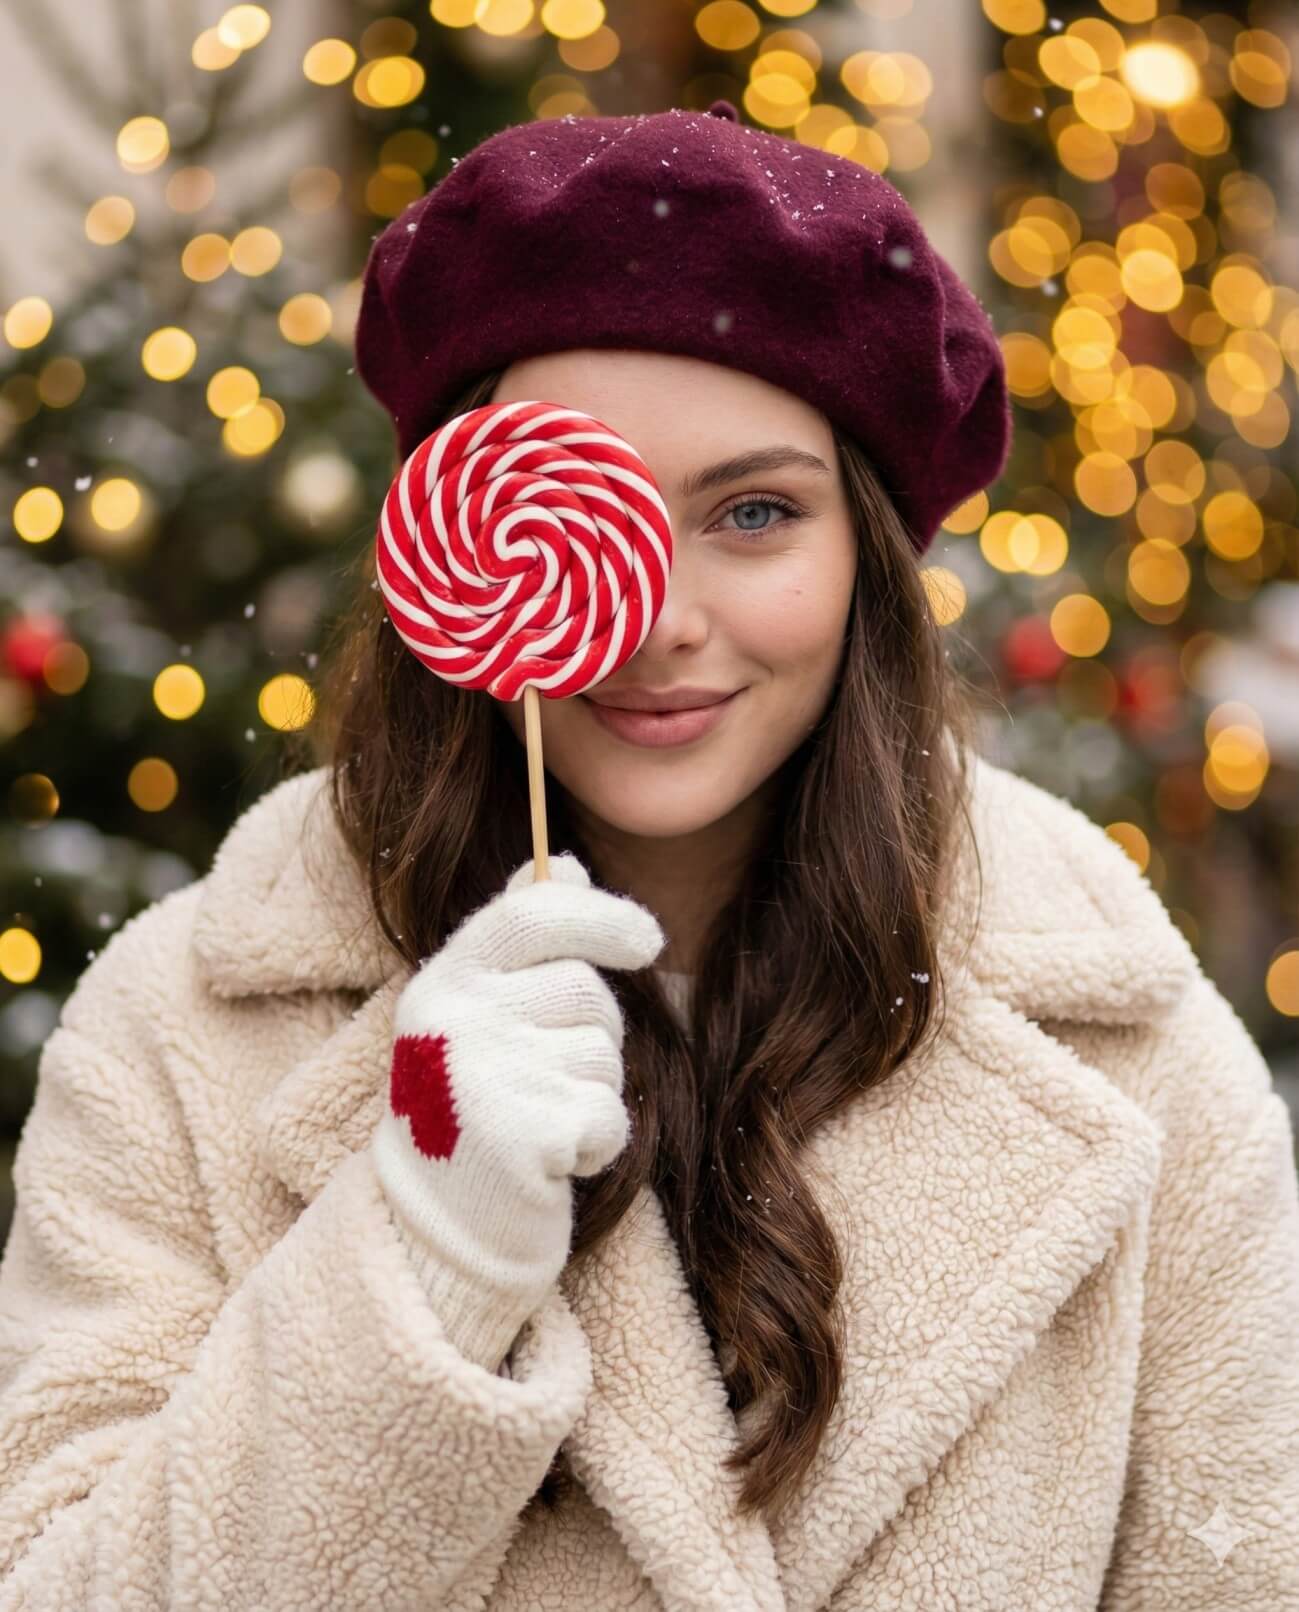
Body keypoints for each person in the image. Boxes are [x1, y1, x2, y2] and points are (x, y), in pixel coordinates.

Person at [1, 102, 1297, 1612]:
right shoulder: (182, 1032)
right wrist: (420, 1255)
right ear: (456, 538)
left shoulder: (1133, 1050)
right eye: (572, 505)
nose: (659, 614)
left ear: (865, 554)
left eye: (755, 513)